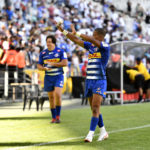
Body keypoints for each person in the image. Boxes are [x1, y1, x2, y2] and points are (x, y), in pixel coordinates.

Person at [55, 21, 110, 142]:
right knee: (94, 109)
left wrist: (78, 33)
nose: (92, 36)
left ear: (100, 36)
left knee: (96, 107)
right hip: (89, 80)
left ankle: (90, 134)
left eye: (94, 34)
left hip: (99, 80)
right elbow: (75, 40)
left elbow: (91, 40)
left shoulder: (105, 47)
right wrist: (63, 31)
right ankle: (103, 131)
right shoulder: (91, 46)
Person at [37, 35, 68, 123]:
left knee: (58, 95)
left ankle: (58, 116)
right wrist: (43, 68)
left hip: (58, 76)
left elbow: (65, 63)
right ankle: (53, 117)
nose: (48, 44)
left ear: (54, 42)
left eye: (50, 42)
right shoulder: (43, 53)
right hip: (48, 77)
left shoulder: (60, 51)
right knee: (51, 97)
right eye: (47, 42)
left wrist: (53, 64)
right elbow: (39, 65)